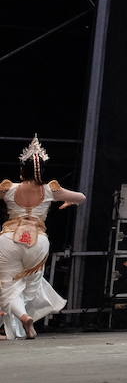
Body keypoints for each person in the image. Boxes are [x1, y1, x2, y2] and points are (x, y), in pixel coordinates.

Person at [1, 137, 85, 341]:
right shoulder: (49, 190)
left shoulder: (9, 188)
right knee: (31, 285)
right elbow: (81, 197)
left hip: (9, 239)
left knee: (6, 284)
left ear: (22, 169)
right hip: (38, 241)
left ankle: (23, 317)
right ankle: (24, 319)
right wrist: (67, 202)